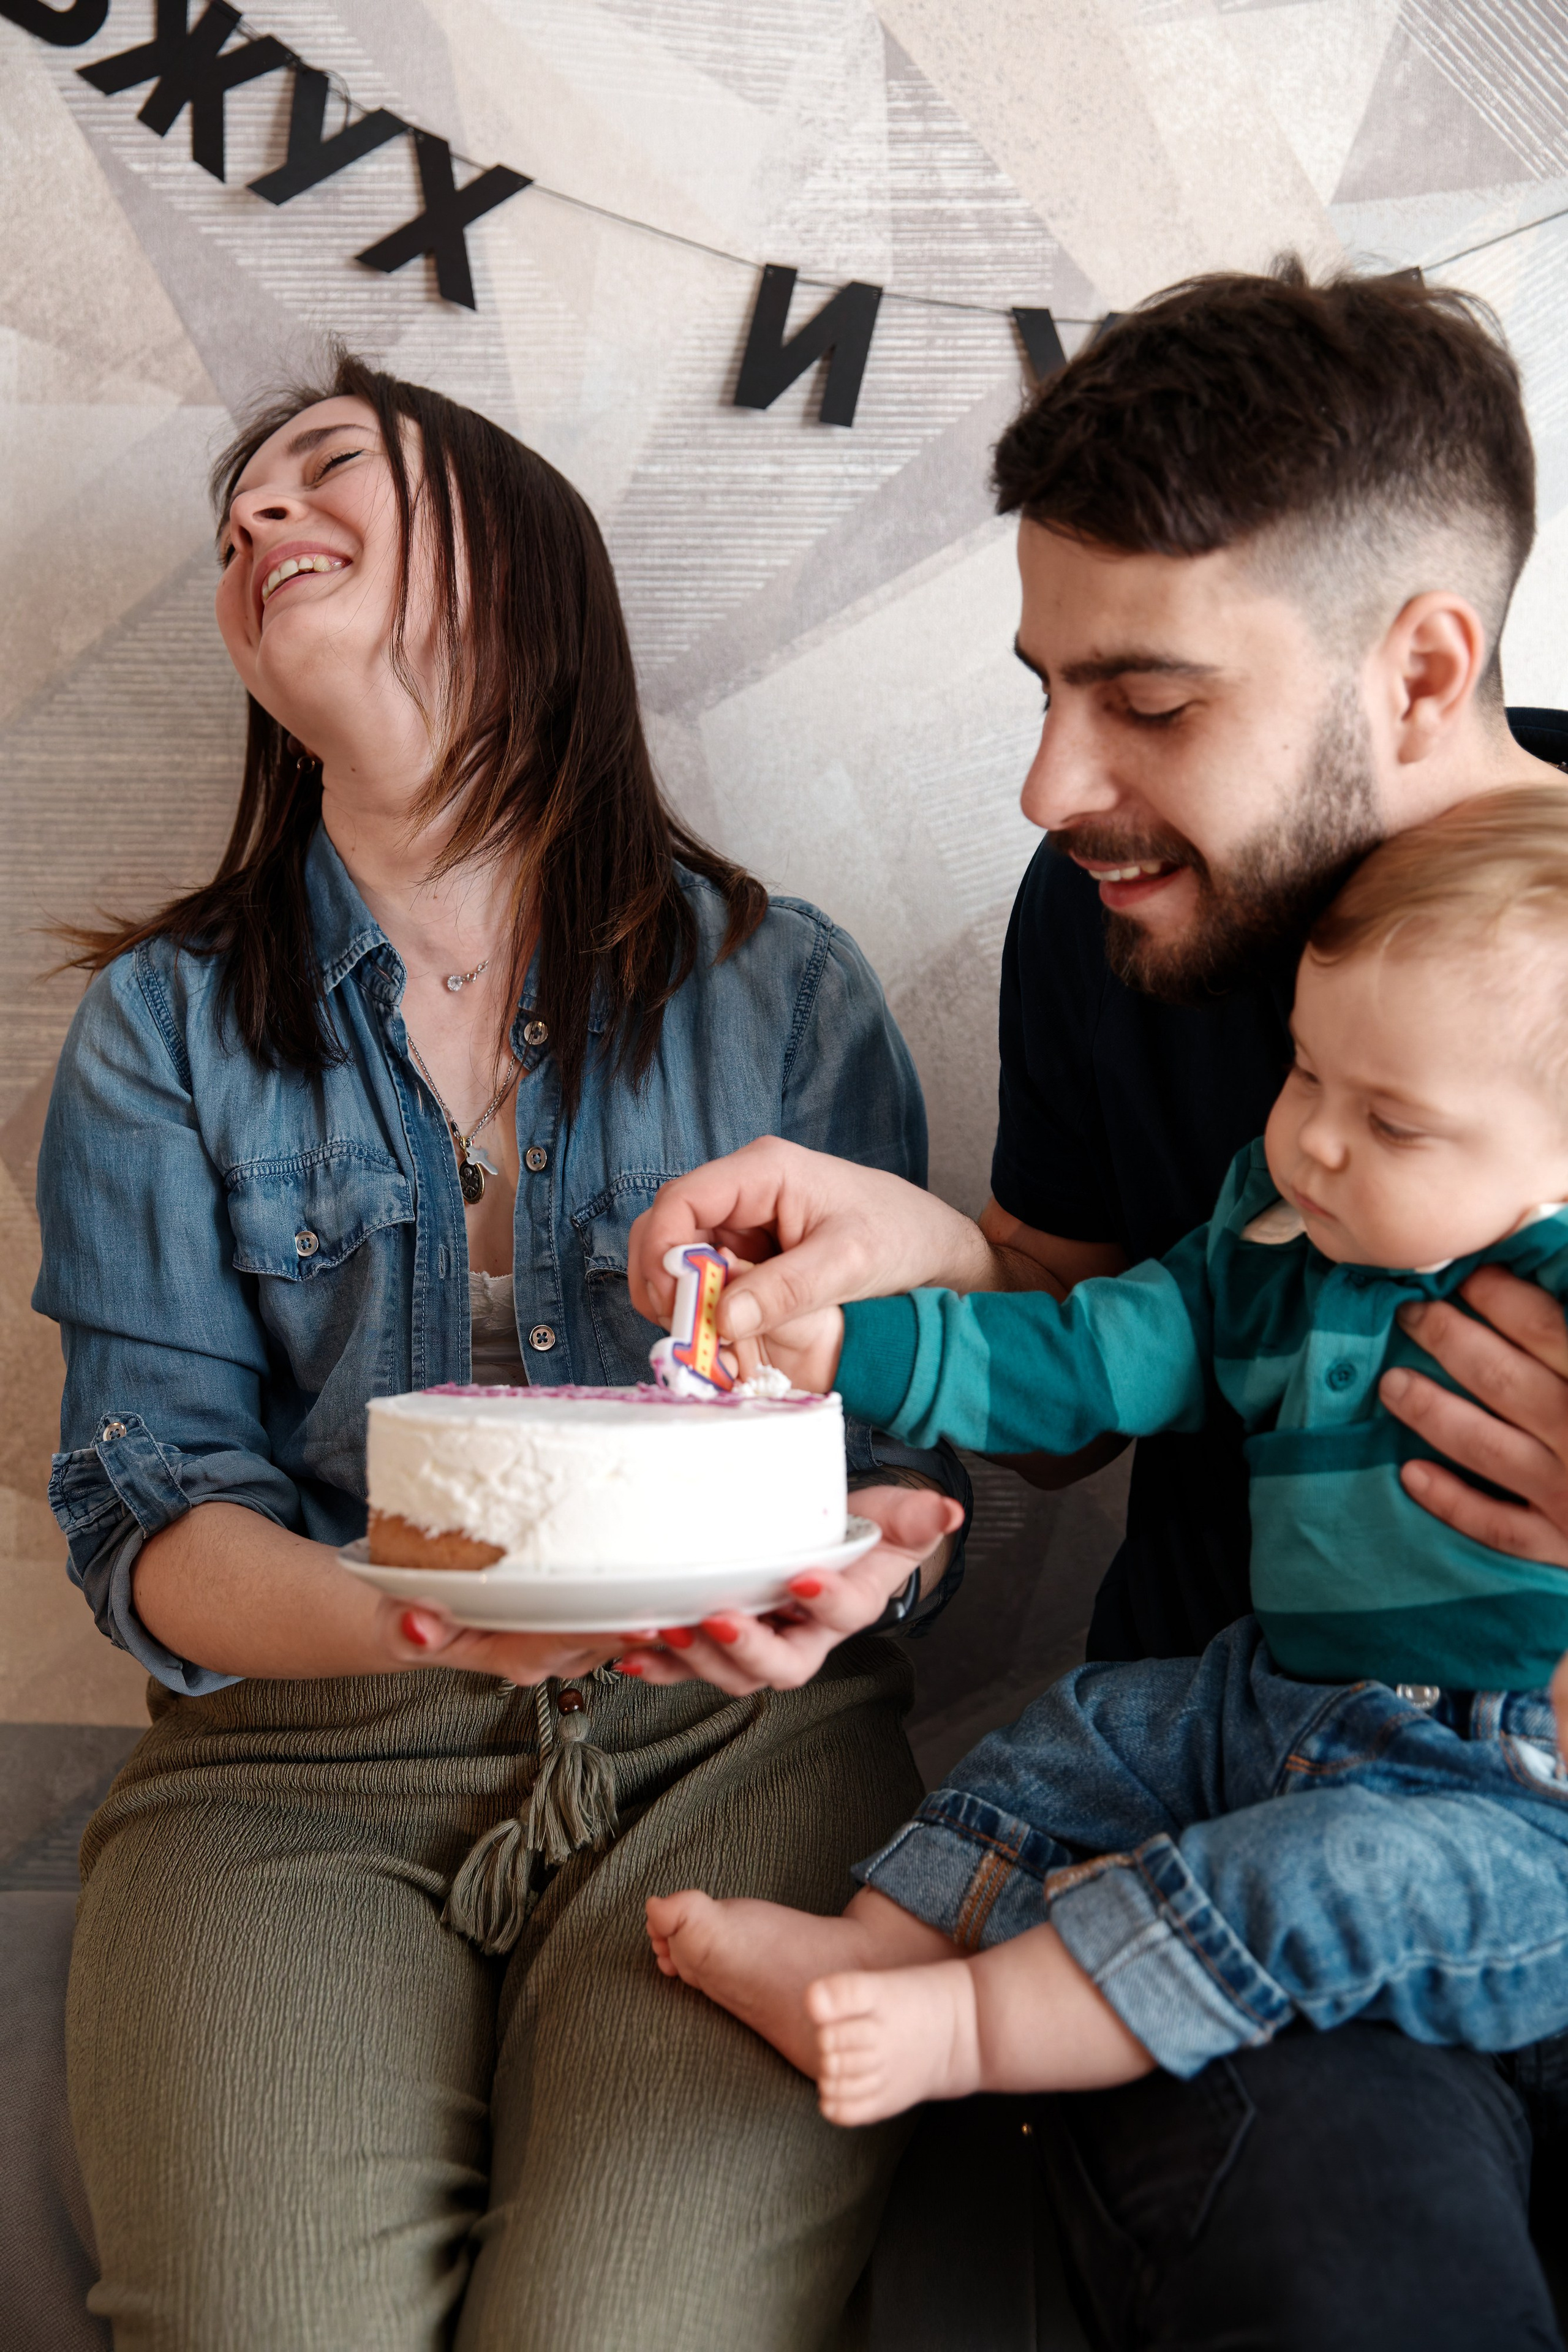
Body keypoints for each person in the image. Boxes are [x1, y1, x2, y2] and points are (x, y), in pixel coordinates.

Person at [625, 265, 1568, 2349]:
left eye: (1146, 701)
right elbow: (1086, 1341)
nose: (1054, 786)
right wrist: (902, 1322)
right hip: (1244, 1815)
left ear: (1422, 665)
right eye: (1047, 684)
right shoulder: (1104, 917)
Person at [34, 351, 968, 2352]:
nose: (257, 526)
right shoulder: (159, 1034)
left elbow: (880, 1441)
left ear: (524, 562)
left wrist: (876, 1549)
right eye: (236, 523)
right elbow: (141, 1502)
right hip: (288, 1775)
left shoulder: (778, 988)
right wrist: (424, 1622)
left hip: (738, 1755)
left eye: (322, 478)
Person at [646, 786, 1568, 2125]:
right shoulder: (1272, 1240)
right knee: (1072, 1735)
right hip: (1263, 1695)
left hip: (1499, 1794)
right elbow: (1081, 1352)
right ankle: (879, 1944)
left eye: (1394, 1124)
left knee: (1317, 1880)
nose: (1311, 1140)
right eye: (1304, 1073)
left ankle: (965, 2026)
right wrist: (854, 1345)